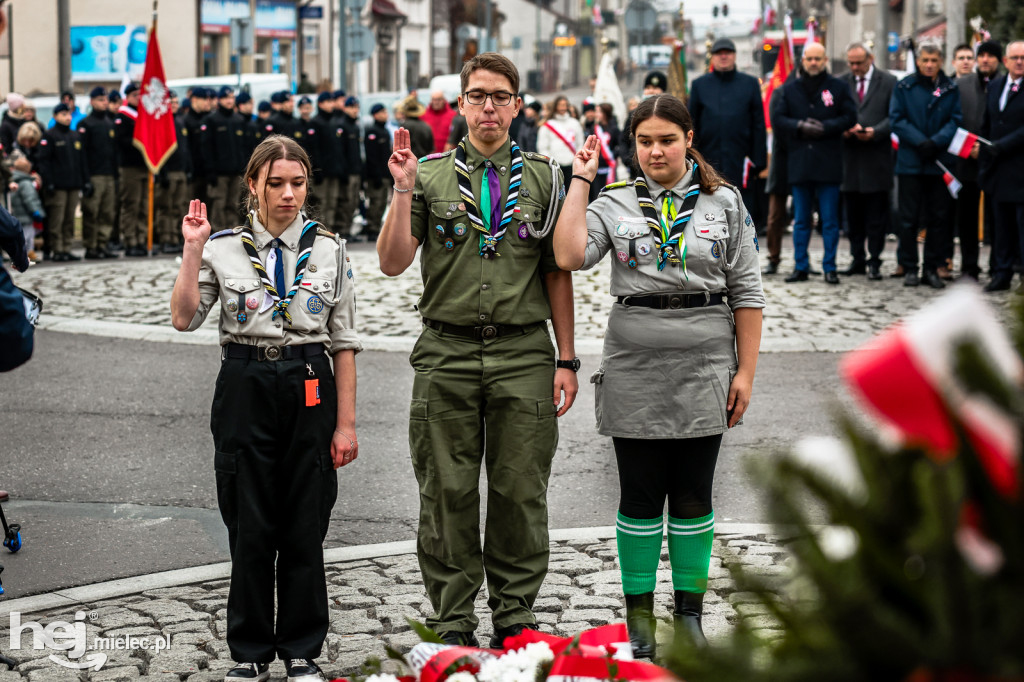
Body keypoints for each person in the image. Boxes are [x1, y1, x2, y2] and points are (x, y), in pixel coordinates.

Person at [377, 52, 579, 649]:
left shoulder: (545, 177)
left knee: (520, 488)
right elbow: (392, 262)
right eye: (478, 96)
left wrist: (566, 359)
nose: (488, 106)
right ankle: (453, 616)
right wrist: (401, 190)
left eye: (500, 96)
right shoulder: (431, 175)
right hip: (446, 350)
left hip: (523, 353)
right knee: (446, 489)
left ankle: (515, 613)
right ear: (461, 104)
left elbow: (557, 274)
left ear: (517, 106)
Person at [551, 94, 764, 657]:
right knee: (639, 495)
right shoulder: (614, 202)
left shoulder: (725, 203)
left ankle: (689, 617)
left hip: (706, 361)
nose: (655, 151)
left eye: (666, 139)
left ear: (688, 138)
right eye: (644, 141)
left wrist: (746, 371)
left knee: (694, 493)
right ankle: (640, 620)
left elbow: (747, 292)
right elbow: (570, 256)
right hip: (635, 362)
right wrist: (580, 180)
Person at [170, 135, 360, 682]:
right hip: (246, 380)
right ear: (252, 185)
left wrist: (345, 425)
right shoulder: (221, 246)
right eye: (275, 183)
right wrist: (191, 248)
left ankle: (301, 648)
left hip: (308, 380)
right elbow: (184, 318)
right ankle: (251, 652)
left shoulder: (329, 249)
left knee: (304, 523)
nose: (287, 194)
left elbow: (344, 343)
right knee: (249, 524)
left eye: (297, 183)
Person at [774, 41, 857, 284]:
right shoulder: (791, 89)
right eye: (809, 58)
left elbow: (850, 116)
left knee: (830, 220)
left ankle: (829, 267)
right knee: (801, 220)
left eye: (817, 59)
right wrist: (799, 126)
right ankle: (801, 265)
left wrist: (827, 127)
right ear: (803, 61)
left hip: (828, 162)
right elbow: (778, 118)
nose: (813, 62)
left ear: (825, 61)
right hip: (800, 163)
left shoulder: (838, 87)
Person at [890, 39, 962, 289]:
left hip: (938, 161)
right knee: (908, 219)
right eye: (925, 60)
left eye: (934, 60)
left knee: (938, 218)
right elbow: (897, 119)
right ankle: (910, 266)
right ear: (918, 61)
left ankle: (931, 267)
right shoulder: (905, 86)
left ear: (940, 61)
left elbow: (955, 120)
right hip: (911, 160)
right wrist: (920, 142)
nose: (929, 65)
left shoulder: (950, 87)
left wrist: (936, 142)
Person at [687, 38, 767, 214]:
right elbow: (692, 124)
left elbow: (758, 124)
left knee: (741, 209)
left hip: (741, 160)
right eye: (719, 53)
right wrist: (692, 157)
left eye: (728, 52)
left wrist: (758, 160)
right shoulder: (699, 85)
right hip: (708, 159)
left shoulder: (750, 84)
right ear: (713, 57)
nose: (723, 56)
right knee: (709, 208)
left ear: (734, 55)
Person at [840, 42, 898, 280]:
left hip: (877, 157)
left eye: (859, 63)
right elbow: (834, 114)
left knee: (876, 215)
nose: (855, 67)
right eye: (851, 63)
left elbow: (895, 115)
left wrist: (876, 131)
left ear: (870, 59)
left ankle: (875, 259)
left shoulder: (889, 81)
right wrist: (844, 128)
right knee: (853, 216)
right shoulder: (841, 82)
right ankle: (857, 259)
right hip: (850, 160)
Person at [978, 40, 1024, 292]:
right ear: (1005, 61)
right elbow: (989, 122)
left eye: (1023, 58)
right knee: (1001, 228)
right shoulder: (995, 86)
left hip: (1020, 168)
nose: (1019, 62)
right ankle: (1002, 273)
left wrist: (1001, 145)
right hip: (997, 170)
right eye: (1015, 57)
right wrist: (984, 149)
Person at [955, 40, 1002, 281]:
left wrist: (987, 149)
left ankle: (998, 267)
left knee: (998, 220)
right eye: (981, 55)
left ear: (999, 59)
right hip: (966, 161)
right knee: (967, 218)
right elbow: (952, 119)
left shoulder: (1006, 85)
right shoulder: (961, 85)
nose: (985, 59)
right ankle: (969, 267)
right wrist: (968, 148)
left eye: (990, 55)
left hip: (997, 162)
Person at [38, 103, 90, 262]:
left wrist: (85, 180)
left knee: (69, 219)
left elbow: (82, 161)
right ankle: (57, 249)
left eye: (68, 115)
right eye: (63, 115)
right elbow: (44, 162)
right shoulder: (49, 135)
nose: (67, 118)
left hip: (73, 184)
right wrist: (49, 182)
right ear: (55, 117)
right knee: (57, 220)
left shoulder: (75, 136)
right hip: (57, 186)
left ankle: (66, 248)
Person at [78, 86, 119, 259]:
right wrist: (85, 179)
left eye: (106, 100)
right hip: (94, 175)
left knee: (107, 213)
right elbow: (82, 154)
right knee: (91, 213)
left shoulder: (110, 123)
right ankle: (91, 246)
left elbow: (115, 152)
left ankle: (103, 245)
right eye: (101, 100)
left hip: (109, 174)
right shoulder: (86, 124)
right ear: (92, 101)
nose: (104, 103)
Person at [202, 86, 248, 232]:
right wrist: (210, 171)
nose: (229, 101)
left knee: (233, 204)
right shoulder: (212, 120)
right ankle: (218, 232)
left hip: (236, 172)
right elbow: (207, 147)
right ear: (220, 100)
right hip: (219, 173)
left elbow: (244, 147)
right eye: (226, 98)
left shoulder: (238, 120)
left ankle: (232, 231)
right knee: (219, 204)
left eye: (232, 98)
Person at [115, 83, 151, 257]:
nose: (138, 98)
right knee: (132, 205)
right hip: (130, 167)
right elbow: (122, 142)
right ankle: (130, 241)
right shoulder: (123, 116)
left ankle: (141, 240)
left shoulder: (144, 115)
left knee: (144, 206)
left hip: (145, 166)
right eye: (135, 95)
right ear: (128, 97)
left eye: (140, 95)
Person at [156, 93, 191, 254]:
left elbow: (186, 148)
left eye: (176, 102)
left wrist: (188, 168)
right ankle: (166, 238)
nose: (175, 105)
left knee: (178, 207)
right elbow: (159, 150)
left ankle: (176, 237)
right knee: (166, 208)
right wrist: (162, 172)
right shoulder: (161, 122)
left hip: (181, 171)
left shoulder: (180, 121)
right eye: (171, 102)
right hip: (168, 172)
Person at [537, 94, 584, 184]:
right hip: (555, 166)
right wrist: (550, 163)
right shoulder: (548, 125)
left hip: (572, 165)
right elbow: (543, 147)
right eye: (560, 105)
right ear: (555, 107)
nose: (562, 108)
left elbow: (579, 143)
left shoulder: (574, 123)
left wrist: (576, 159)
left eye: (564, 105)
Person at [8, 150, 45, 263]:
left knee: (21, 236)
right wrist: (36, 212)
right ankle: (27, 253)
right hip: (27, 215)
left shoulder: (15, 181)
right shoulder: (26, 183)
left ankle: (22, 254)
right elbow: (30, 200)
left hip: (18, 214)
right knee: (28, 236)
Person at [362, 103, 391, 242]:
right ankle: (371, 228)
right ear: (376, 114)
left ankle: (376, 226)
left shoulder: (384, 131)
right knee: (375, 202)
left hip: (385, 174)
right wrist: (377, 175)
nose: (386, 114)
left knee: (382, 203)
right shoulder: (372, 132)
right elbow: (371, 157)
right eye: (383, 112)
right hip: (376, 176)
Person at [420, 89, 456, 154]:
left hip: (448, 156)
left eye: (439, 99)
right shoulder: (423, 116)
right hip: (428, 157)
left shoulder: (453, 116)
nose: (436, 102)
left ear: (444, 100)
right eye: (434, 100)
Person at [398, 94, 434, 159]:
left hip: (408, 162)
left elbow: (398, 148)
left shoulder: (403, 126)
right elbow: (431, 149)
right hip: (424, 162)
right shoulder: (426, 126)